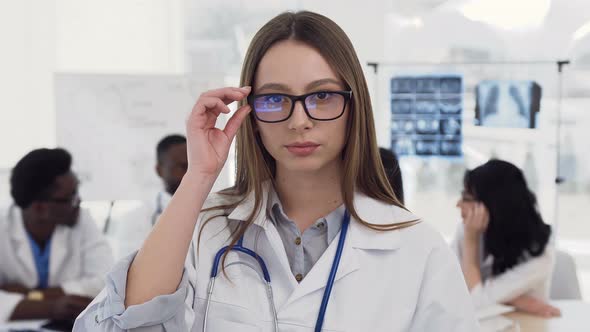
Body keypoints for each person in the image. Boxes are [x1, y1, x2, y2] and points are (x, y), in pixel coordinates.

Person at [75, 11, 478, 331]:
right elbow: (120, 325)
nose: (299, 120)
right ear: (251, 115)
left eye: (321, 96)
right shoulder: (207, 228)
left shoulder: (416, 247)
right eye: (275, 99)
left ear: (353, 106)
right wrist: (199, 175)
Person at [0, 148, 113, 322]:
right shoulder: (3, 226)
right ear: (40, 208)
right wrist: (53, 307)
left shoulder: (82, 218)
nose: (79, 202)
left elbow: (106, 282)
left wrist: (33, 296)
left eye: (77, 191)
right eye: (70, 197)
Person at [452, 159, 559, 317]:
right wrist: (517, 300)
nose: (458, 204)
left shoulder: (541, 256)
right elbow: (449, 291)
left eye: (467, 198)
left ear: (495, 206)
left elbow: (475, 302)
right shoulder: (469, 229)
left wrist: (470, 243)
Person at [106, 134, 188, 259]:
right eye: (183, 166)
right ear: (159, 170)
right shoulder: (135, 219)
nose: (191, 172)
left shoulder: (215, 210)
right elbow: (130, 272)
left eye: (194, 165)